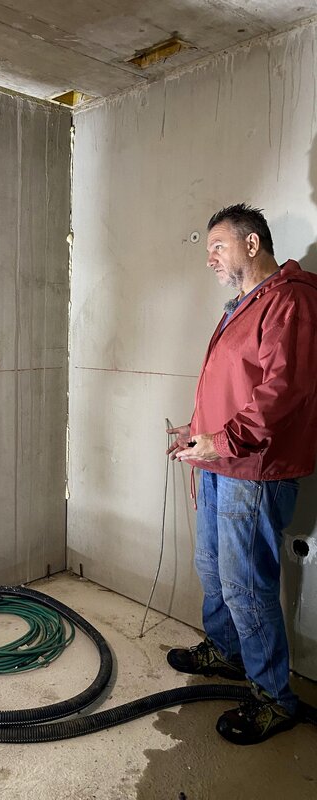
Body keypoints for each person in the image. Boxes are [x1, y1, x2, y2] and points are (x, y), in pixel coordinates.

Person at [166, 204, 317, 746]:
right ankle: (226, 650)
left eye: (218, 247)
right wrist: (197, 431)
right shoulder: (242, 306)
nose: (209, 258)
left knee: (245, 585)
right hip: (219, 460)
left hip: (252, 469)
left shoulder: (290, 300)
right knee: (212, 566)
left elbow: (283, 391)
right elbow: (235, 388)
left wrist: (224, 440)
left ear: (252, 244)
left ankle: (274, 697)